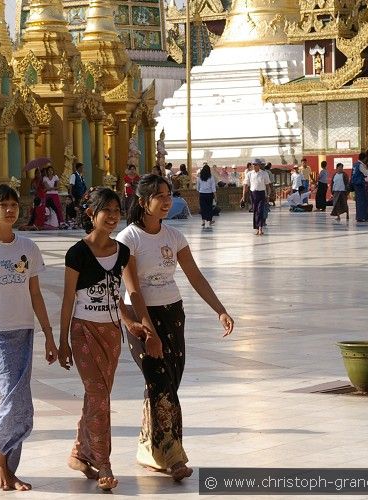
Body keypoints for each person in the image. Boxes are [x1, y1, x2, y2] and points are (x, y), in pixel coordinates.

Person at [116, 174, 234, 483]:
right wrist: (148, 331)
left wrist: (220, 310)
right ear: (143, 202)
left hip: (173, 314)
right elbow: (134, 290)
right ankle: (171, 455)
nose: (167, 201)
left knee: (170, 381)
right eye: (160, 196)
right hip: (143, 319)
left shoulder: (173, 236)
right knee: (160, 383)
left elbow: (195, 277)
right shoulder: (128, 239)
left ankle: (148, 449)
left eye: (169, 195)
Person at [58, 187, 157, 492]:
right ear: (91, 214)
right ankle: (104, 463)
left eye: (117, 211)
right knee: (100, 396)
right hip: (84, 332)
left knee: (96, 397)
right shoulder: (77, 253)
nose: (113, 217)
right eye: (107, 211)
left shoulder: (122, 252)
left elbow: (127, 295)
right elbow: (67, 300)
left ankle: (79, 452)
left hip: (111, 333)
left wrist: (139, 323)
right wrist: (62, 342)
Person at [0, 184, 58, 491]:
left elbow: (35, 293)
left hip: (24, 330)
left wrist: (48, 334)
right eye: (2, 204)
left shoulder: (28, 247)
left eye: (14, 204)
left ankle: (9, 467)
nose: (10, 209)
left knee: (21, 403)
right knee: (13, 399)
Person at [241, 158, 271, 235]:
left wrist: (268, 195)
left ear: (259, 165)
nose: (254, 166)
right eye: (253, 164)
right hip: (253, 194)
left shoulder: (264, 174)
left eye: (256, 164)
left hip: (261, 193)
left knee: (260, 210)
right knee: (255, 211)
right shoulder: (249, 174)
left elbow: (267, 186)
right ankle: (257, 228)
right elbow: (245, 185)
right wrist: (244, 196)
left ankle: (260, 227)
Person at [352, 152, 368, 222]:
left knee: (359, 201)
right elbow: (366, 173)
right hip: (360, 184)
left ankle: (362, 217)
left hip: (356, 184)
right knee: (362, 201)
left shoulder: (355, 164)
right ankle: (361, 217)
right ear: (364, 158)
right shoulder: (361, 165)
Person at [196, 163, 216, 228]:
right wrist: (215, 196)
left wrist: (199, 192)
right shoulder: (211, 177)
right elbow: (213, 187)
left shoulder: (199, 177)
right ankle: (209, 221)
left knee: (203, 208)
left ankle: (203, 221)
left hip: (202, 194)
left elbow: (197, 187)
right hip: (209, 194)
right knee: (209, 207)